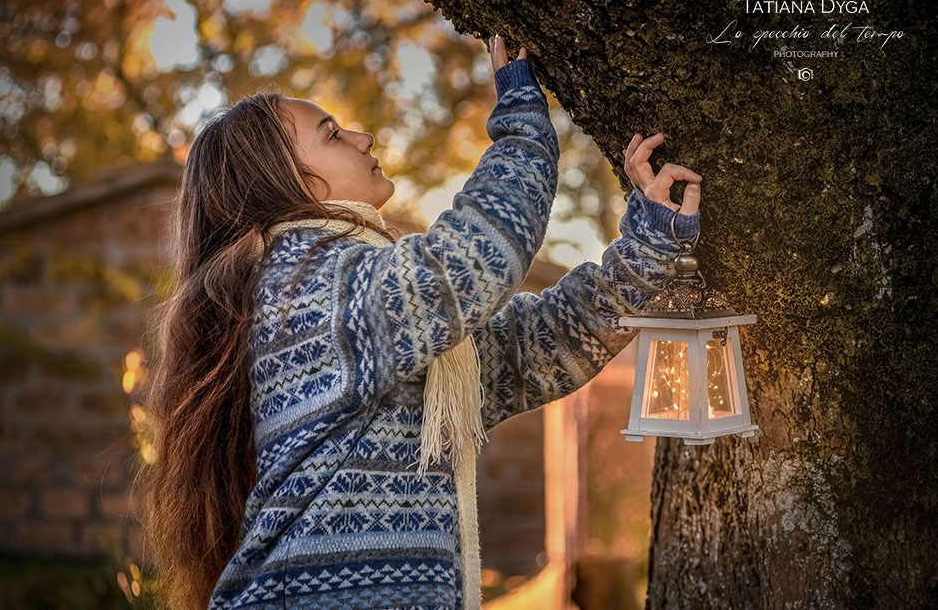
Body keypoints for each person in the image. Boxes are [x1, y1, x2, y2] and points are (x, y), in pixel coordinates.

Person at [138, 35, 701, 610]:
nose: (363, 137)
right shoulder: (306, 289)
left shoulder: (370, 307)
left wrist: (649, 239)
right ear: (285, 181)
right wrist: (522, 118)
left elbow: (538, 348)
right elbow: (473, 257)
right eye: (331, 134)